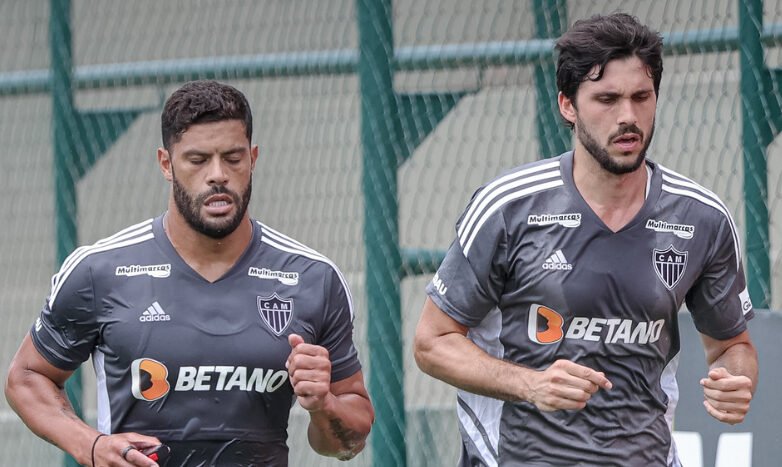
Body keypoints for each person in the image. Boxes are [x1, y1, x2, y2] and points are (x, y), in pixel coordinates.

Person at [413, 13, 757, 467]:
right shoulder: (507, 207)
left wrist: (734, 381)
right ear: (568, 106)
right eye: (607, 99)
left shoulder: (702, 218)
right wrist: (531, 385)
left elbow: (732, 347)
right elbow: (432, 342)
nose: (628, 116)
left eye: (641, 97)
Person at [5, 80, 374, 466]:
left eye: (233, 158)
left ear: (253, 158)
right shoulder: (100, 270)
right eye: (197, 160)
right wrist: (90, 445)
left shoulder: (312, 278)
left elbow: (347, 442)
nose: (218, 175)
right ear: (166, 164)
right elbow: (27, 377)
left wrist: (324, 404)